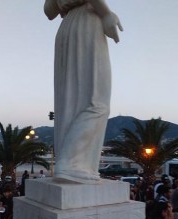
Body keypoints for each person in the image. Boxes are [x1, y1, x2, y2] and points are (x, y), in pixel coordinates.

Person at [44, 0, 123, 182]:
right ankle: (70, 164)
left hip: (67, 28)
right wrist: (106, 13)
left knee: (69, 105)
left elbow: (49, 11)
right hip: (88, 24)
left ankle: (73, 163)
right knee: (97, 101)